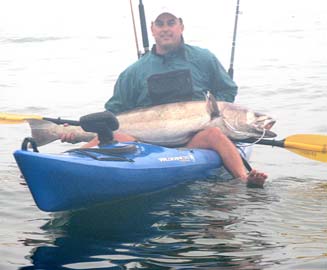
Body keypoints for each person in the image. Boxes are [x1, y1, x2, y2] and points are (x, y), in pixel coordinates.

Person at [62, 8, 267, 187]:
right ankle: (63, 163)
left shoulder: (204, 58)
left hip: (193, 140)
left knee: (214, 134)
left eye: (171, 22)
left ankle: (244, 178)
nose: (165, 28)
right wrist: (77, 133)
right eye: (160, 24)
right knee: (114, 136)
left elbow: (227, 91)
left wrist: (213, 115)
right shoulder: (133, 72)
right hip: (146, 141)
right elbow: (113, 113)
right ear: (152, 28)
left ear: (181, 26)